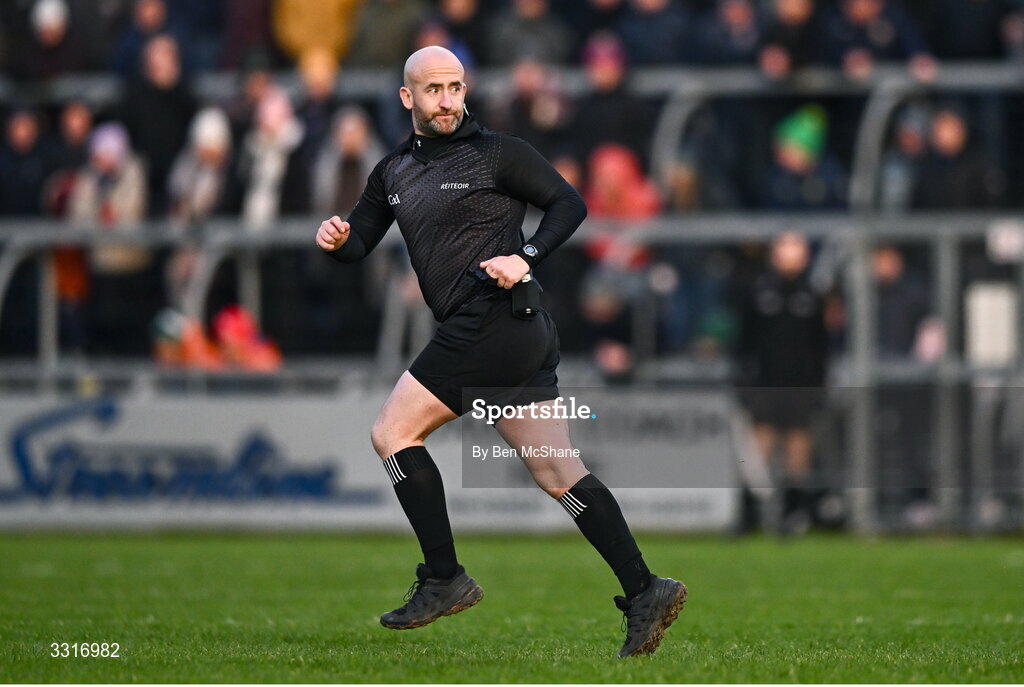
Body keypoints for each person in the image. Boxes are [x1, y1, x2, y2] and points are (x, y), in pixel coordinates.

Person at [315, 46, 686, 658]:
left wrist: (527, 256)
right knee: (556, 470)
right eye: (433, 89)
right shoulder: (392, 172)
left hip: (494, 320)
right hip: (511, 332)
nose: (448, 100)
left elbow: (570, 204)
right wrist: (338, 240)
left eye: (456, 87)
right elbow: (360, 243)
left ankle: (444, 577)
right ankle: (646, 588)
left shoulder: (497, 152)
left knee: (393, 435)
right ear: (407, 98)